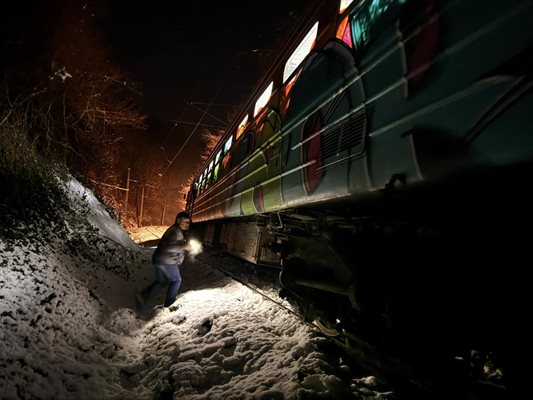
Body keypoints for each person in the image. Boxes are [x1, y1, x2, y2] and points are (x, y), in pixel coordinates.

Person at [137, 211, 192, 310]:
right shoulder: (176, 231)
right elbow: (168, 247)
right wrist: (184, 246)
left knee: (162, 281)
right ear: (179, 221)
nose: (188, 224)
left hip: (159, 259)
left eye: (189, 222)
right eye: (186, 221)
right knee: (176, 280)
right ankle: (169, 305)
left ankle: (143, 295)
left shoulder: (174, 230)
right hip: (166, 261)